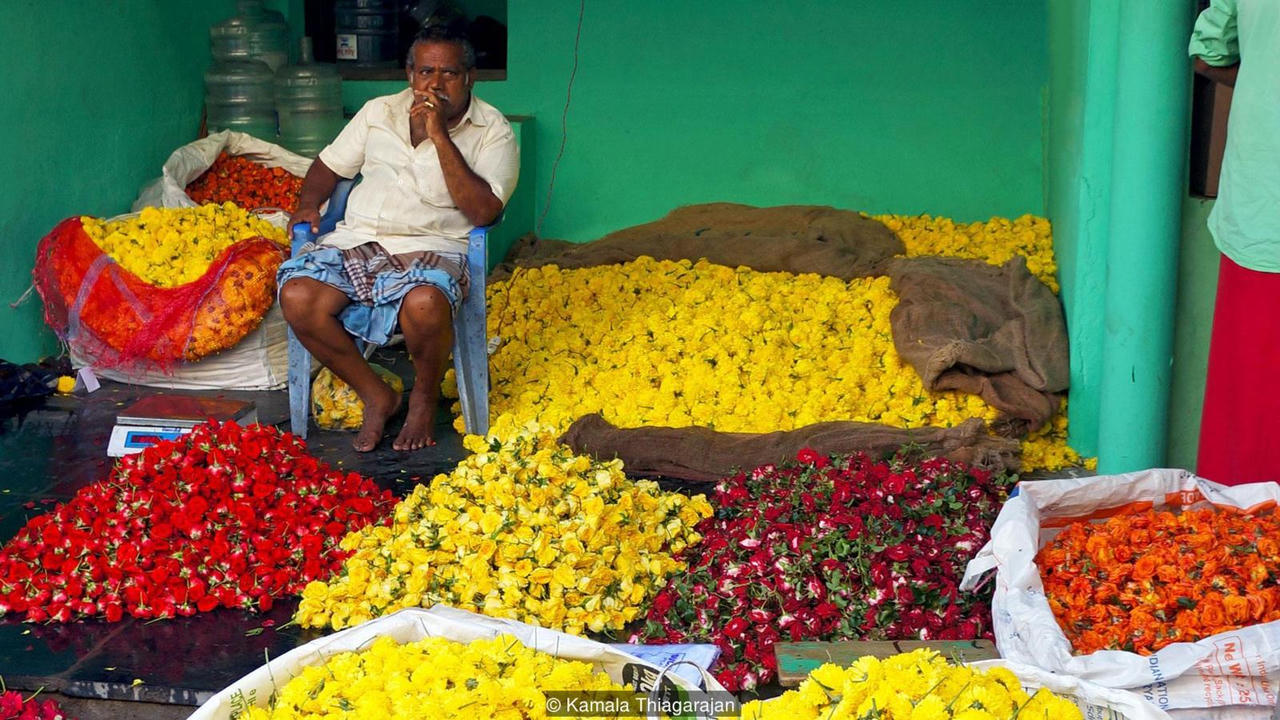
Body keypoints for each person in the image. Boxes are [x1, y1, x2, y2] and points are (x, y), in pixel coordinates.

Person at [278, 25, 518, 453]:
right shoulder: (377, 112)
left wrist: (439, 135)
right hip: (360, 238)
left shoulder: (492, 130)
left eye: (449, 73)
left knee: (424, 302)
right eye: (426, 72)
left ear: (469, 78)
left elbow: (484, 212)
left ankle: (422, 399)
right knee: (297, 295)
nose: (435, 84)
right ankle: (377, 395)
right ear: (410, 75)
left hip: (435, 244)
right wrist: (309, 204)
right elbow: (328, 167)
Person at [1189, 0, 1280, 485]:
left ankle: (1238, 544)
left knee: (1250, 408)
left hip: (1266, 205)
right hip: (1263, 213)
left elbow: (1210, 54)